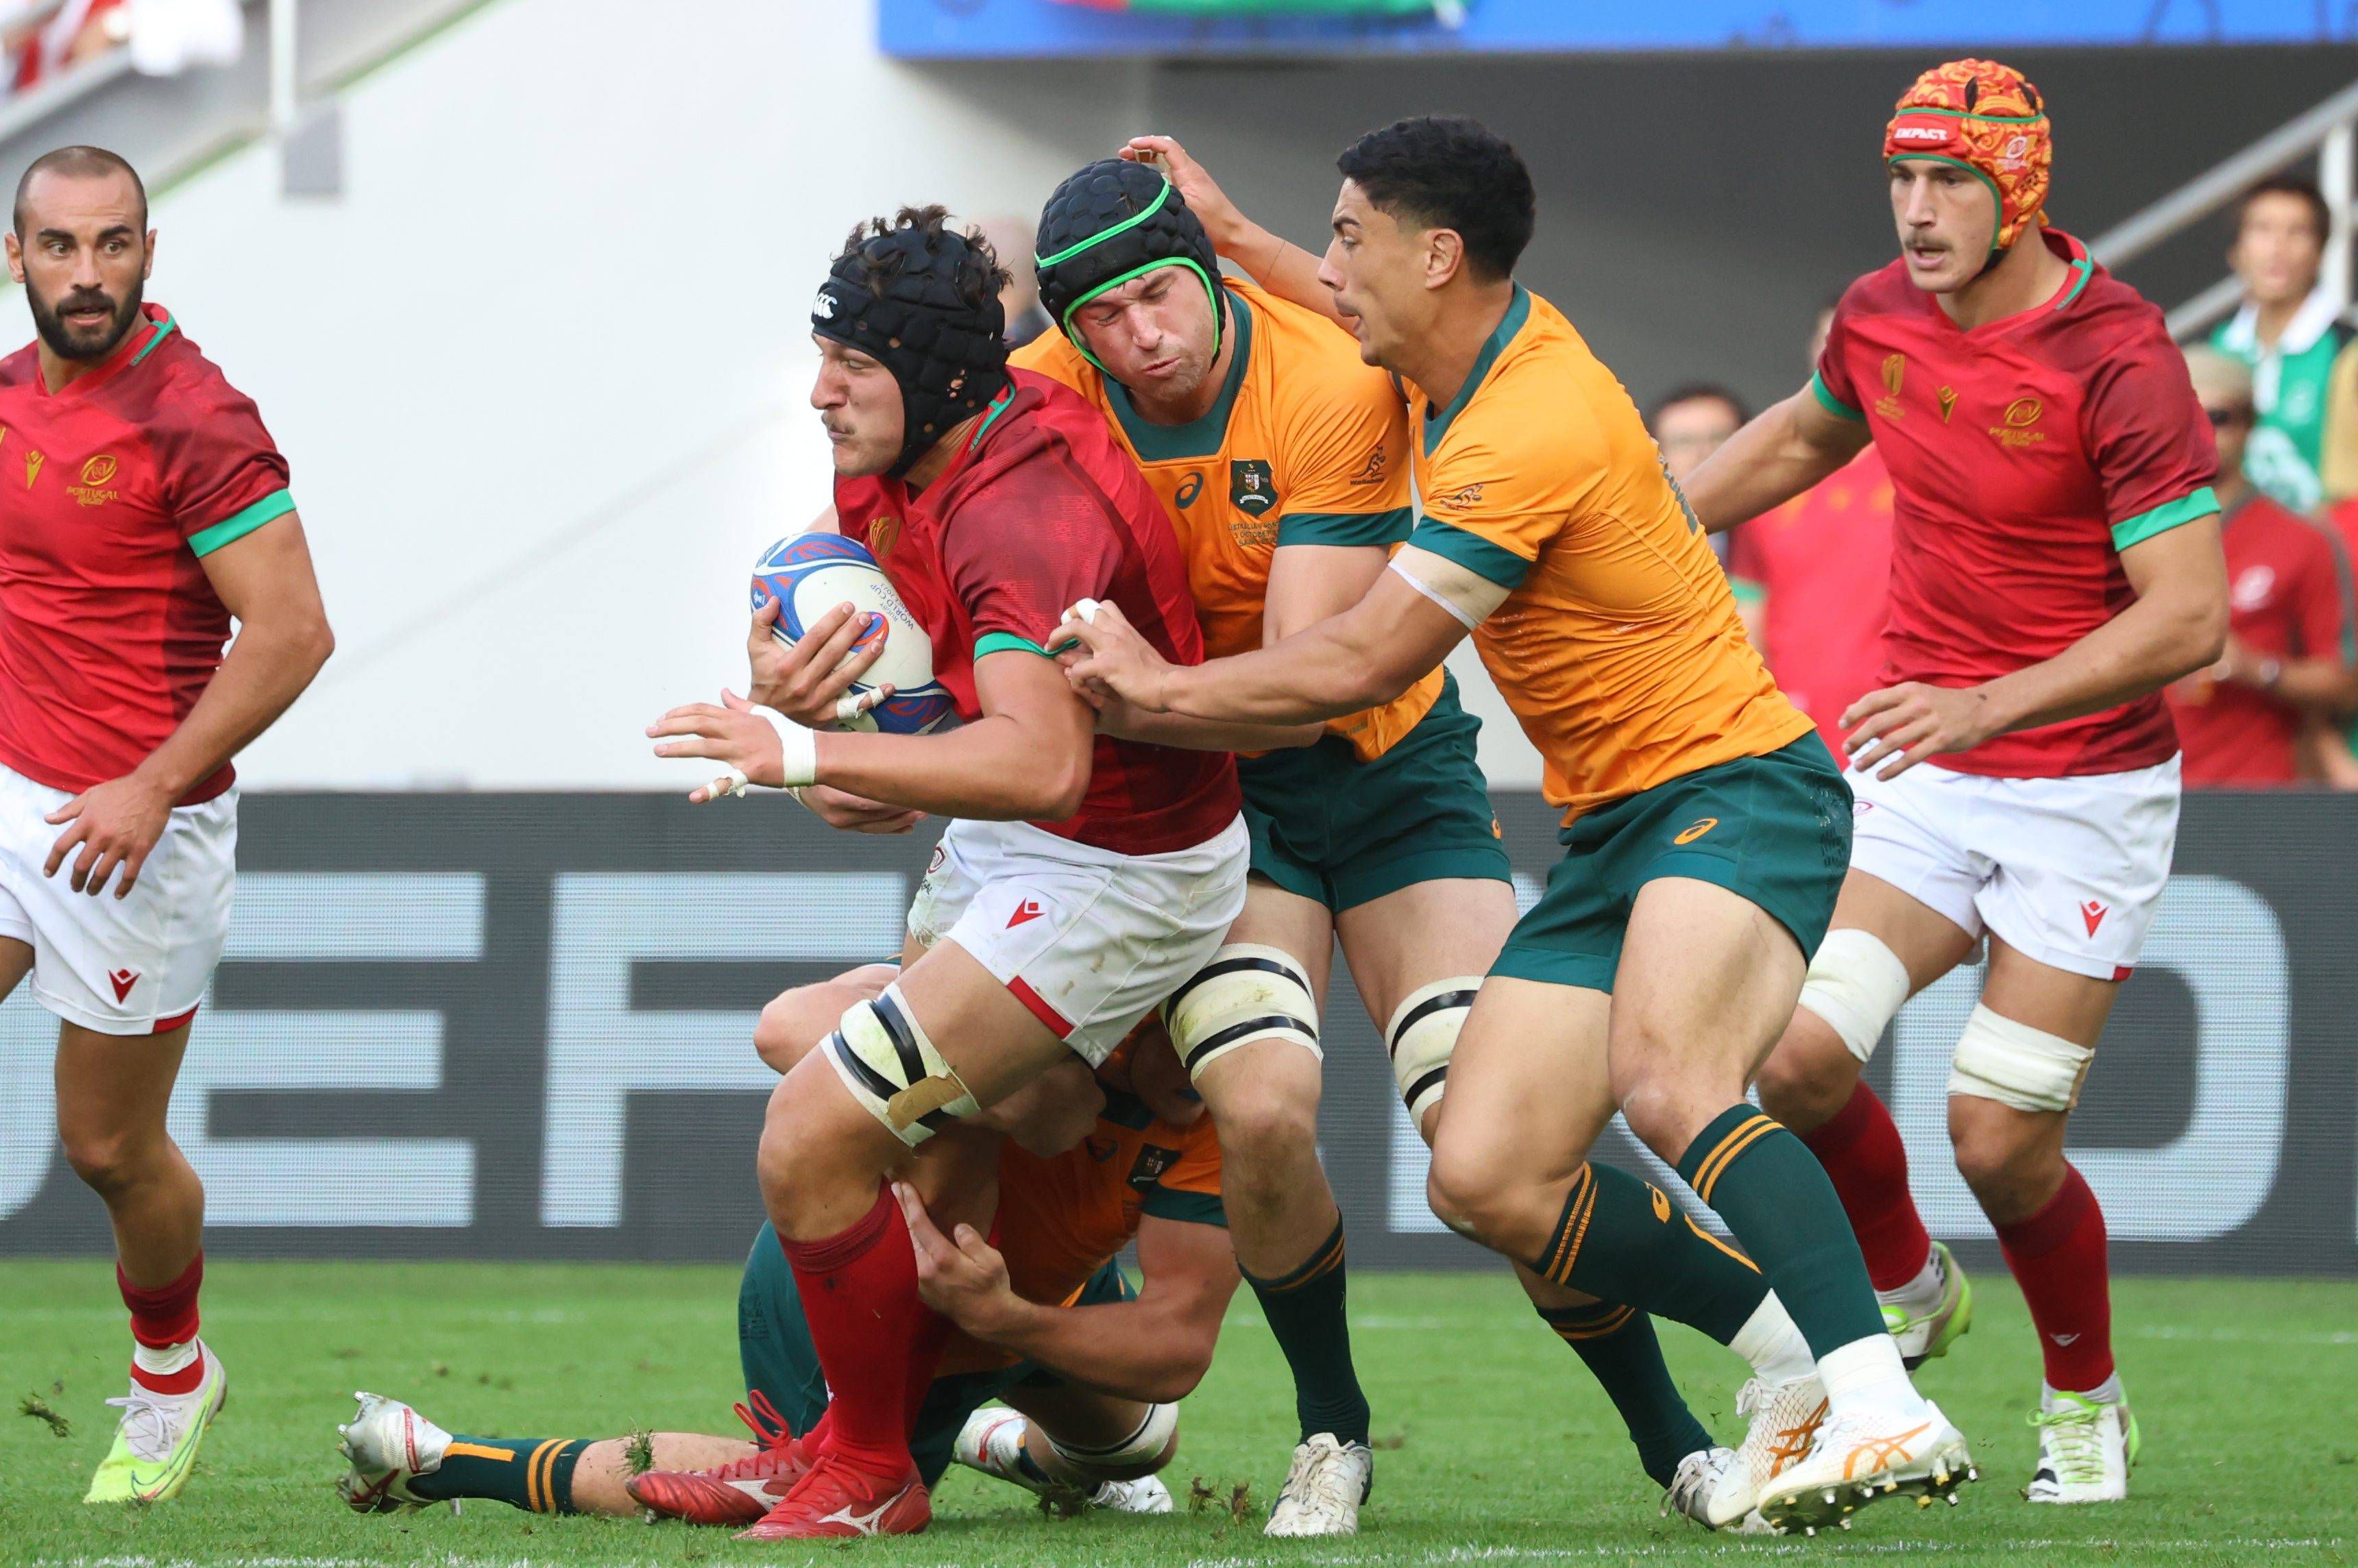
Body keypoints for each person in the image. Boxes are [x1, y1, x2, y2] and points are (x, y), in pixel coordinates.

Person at [1058, 117, 1971, 1537]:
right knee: (1484, 1170)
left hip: (1735, 785)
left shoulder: (1521, 425)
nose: (1331, 264)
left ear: (1435, 255)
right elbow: (1320, 302)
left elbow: (1359, 663)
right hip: (1615, 822)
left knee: (1672, 1082)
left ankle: (1881, 1400)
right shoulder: (1456, 350)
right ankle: (1788, 1364)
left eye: (1349, 235)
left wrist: (1155, 689)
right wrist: (1231, 236)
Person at [644, 206, 1248, 1539]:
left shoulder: (1024, 509)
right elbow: (839, 623)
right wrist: (822, 720)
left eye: (850, 363)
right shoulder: (912, 447)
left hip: (1124, 867)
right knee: (935, 1130)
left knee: (810, 1128)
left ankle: (864, 1467)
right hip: (1031, 844)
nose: (820, 389)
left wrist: (801, 753)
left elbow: (1043, 768)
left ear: (932, 373)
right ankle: (853, 1449)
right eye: (823, 355)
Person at [1682, 60, 2229, 1507]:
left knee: (1998, 1137)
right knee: (1794, 1059)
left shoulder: (2120, 355)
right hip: (1930, 773)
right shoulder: (1875, 314)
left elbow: (2189, 617)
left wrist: (1981, 700)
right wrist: (1643, 524)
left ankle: (2085, 1400)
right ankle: (1909, 1286)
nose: (1917, 215)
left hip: (2083, 796)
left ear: (2019, 191)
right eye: (1901, 181)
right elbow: (1808, 433)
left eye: (1950, 184)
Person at [1008, 155, 1527, 1534]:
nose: (1145, 337)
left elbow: (1309, 675)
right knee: (1252, 1107)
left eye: (1164, 292)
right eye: (1104, 317)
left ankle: (1753, 1395)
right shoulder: (1043, 400)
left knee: (1490, 1142)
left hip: (1371, 763)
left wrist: (1130, 692)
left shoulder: (1326, 372)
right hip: (1207, 803)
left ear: (1214, 269)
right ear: (1070, 329)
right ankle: (1329, 1431)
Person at [334, 976, 1236, 1528]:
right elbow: (783, 1027)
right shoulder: (1012, 1001)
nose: (1215, 1057)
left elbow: (1179, 1348)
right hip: (864, 1305)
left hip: (1017, 1303)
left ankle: (998, 1442)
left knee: (1142, 1446)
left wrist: (1011, 1318)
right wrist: (993, 1084)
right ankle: (448, 1458)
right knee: (771, 1495)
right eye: (1196, 1026)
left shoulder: (1236, 1098)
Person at [0, 145, 333, 1504]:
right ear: (15, 255)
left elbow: (296, 629)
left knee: (109, 1150)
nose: (89, 276)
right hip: (12, 787)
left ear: (150, 247)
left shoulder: (196, 418)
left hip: (141, 826)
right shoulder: (13, 395)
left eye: (115, 245)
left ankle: (172, 1370)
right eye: (61, 248)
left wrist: (148, 779)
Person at [2165, 347, 2357, 784]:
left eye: (2218, 417)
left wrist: (2255, 668)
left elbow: (2345, 687)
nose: (2199, 430)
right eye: (2182, 412)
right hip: (2140, 794)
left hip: (2257, 797)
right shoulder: (2123, 533)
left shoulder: (2304, 539)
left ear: (2250, 425)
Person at [1725, 309, 1895, 745]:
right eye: (1830, 342)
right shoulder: (1773, 471)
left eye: (1863, 344)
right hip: (1797, 731)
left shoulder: (1926, 465)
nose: (1841, 356)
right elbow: (1748, 612)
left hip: (1903, 727)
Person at [2210, 175, 2358, 513]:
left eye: (2298, 232)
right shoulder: (2217, 350)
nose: (2278, 248)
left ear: (2321, 251)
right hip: (2232, 550)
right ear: (2236, 250)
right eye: (2262, 229)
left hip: (2329, 554)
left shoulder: (2348, 350)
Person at [1649, 384, 1747, 566]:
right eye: (1684, 442)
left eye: (1719, 438)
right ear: (1657, 456)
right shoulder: (1642, 544)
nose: (1702, 453)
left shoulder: (1780, 529)